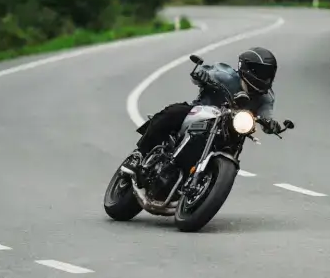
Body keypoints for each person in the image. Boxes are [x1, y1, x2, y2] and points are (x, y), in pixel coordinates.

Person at [120, 47, 283, 183]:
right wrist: (201, 75)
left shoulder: (266, 97)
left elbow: (266, 114)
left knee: (235, 147)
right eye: (261, 72)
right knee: (173, 112)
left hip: (230, 129)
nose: (265, 77)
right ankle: (138, 155)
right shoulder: (225, 73)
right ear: (247, 67)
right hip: (200, 113)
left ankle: (209, 183)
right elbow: (203, 72)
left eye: (269, 73)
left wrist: (271, 124)